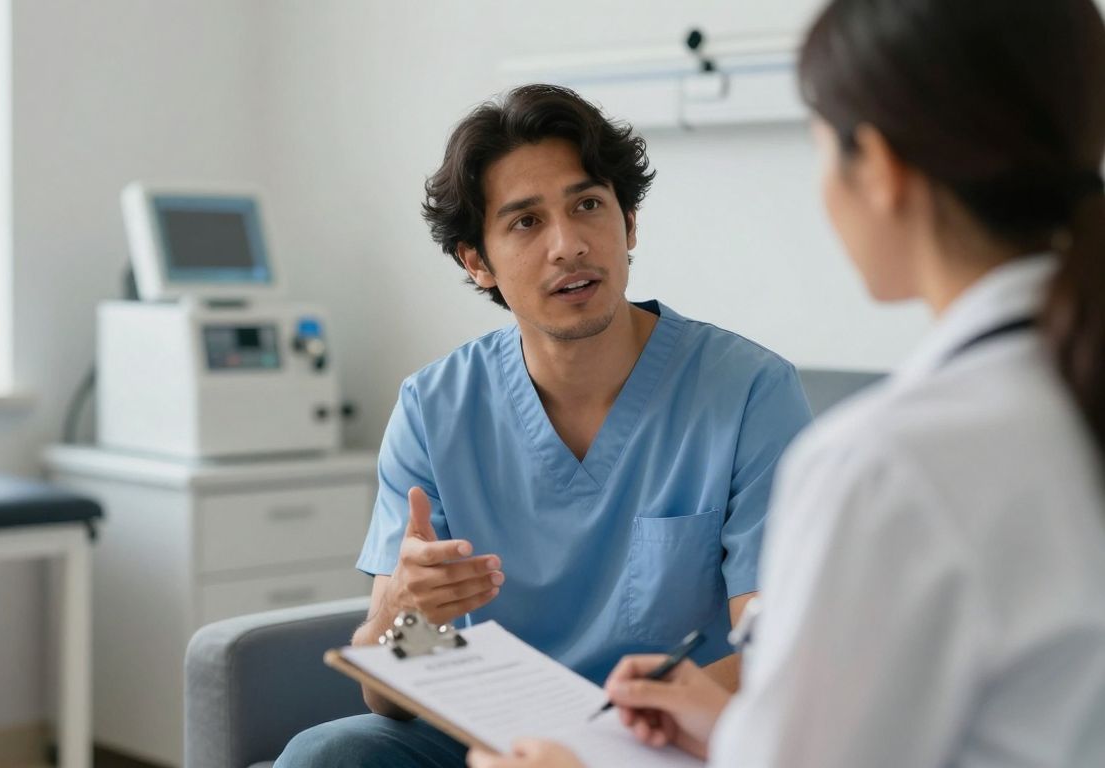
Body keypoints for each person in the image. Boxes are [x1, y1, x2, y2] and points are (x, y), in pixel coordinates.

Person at [467, 1, 1105, 766]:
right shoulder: (1056, 396)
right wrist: (735, 729)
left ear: (878, 167)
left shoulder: (883, 466)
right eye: (526, 223)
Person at [274, 86, 812, 767]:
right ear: (477, 261)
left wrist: (613, 744)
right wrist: (408, 615)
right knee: (327, 755)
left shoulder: (750, 394)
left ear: (629, 222)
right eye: (526, 222)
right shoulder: (434, 409)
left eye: (588, 205)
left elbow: (776, 657)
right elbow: (390, 700)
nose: (569, 245)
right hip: (493, 743)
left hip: (667, 740)